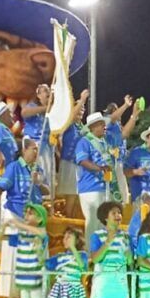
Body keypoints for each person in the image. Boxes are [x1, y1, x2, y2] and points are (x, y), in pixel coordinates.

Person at [0, 137, 45, 298]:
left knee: (30, 255)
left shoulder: (37, 169)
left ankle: (28, 291)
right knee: (13, 253)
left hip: (33, 218)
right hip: (15, 213)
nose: (36, 152)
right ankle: (10, 293)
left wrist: (38, 182)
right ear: (24, 150)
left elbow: (46, 188)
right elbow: (2, 185)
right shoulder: (14, 167)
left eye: (37, 149)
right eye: (33, 149)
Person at [89, 201, 132, 298]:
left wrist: (129, 257)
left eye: (119, 213)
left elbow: (129, 261)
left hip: (119, 281)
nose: (118, 216)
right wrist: (108, 241)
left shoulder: (126, 237)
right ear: (105, 218)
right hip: (104, 281)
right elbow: (95, 258)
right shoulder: (97, 235)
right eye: (113, 213)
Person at [76, 112, 121, 246]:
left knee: (104, 221)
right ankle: (91, 252)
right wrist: (100, 169)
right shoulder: (84, 141)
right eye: (101, 124)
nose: (104, 126)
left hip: (105, 187)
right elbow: (82, 161)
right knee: (93, 221)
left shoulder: (105, 143)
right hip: (90, 187)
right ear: (93, 127)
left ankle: (103, 251)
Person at [7, 203, 48, 298]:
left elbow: (41, 234)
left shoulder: (41, 232)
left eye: (31, 213)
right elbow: (5, 238)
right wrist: (2, 229)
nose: (26, 216)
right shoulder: (22, 234)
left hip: (35, 280)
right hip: (23, 280)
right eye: (26, 213)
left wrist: (18, 224)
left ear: (40, 218)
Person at [46, 227, 88, 298]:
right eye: (65, 237)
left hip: (74, 288)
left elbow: (82, 265)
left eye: (69, 237)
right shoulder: (60, 257)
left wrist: (73, 248)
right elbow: (46, 264)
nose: (66, 239)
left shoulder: (82, 255)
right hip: (62, 288)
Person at [56, 89, 90, 219]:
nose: (81, 110)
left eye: (83, 108)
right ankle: (68, 222)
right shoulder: (68, 124)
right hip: (69, 163)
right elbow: (71, 116)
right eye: (79, 108)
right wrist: (82, 100)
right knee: (70, 195)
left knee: (76, 197)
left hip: (80, 165)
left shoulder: (82, 128)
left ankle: (72, 220)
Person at [21, 83, 54, 197]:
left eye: (49, 90)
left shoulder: (53, 112)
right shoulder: (32, 106)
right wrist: (45, 108)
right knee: (35, 173)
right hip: (33, 145)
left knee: (47, 174)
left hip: (46, 148)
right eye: (45, 90)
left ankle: (45, 199)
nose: (48, 92)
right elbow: (24, 113)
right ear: (39, 95)